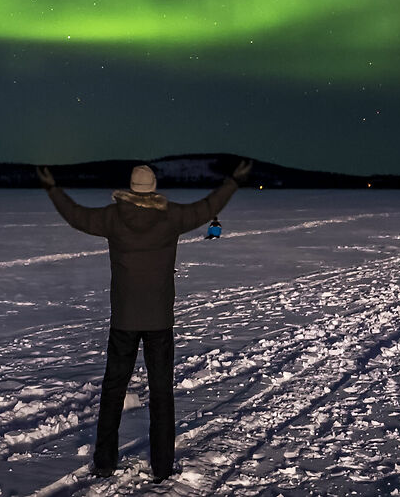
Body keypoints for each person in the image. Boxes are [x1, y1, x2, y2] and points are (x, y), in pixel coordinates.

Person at [38, 157, 252, 481]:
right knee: (162, 393)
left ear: (130, 187)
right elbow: (208, 205)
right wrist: (233, 182)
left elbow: (77, 216)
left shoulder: (112, 217)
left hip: (123, 319)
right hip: (159, 321)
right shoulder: (170, 216)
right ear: (152, 188)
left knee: (113, 390)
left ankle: (105, 461)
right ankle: (162, 467)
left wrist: (53, 189)